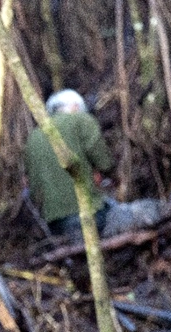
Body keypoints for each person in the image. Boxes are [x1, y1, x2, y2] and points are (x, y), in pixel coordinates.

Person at [23, 88, 115, 244]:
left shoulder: (34, 136)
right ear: (75, 107)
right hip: (91, 216)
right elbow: (104, 163)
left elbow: (33, 189)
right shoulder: (81, 120)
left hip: (54, 225)